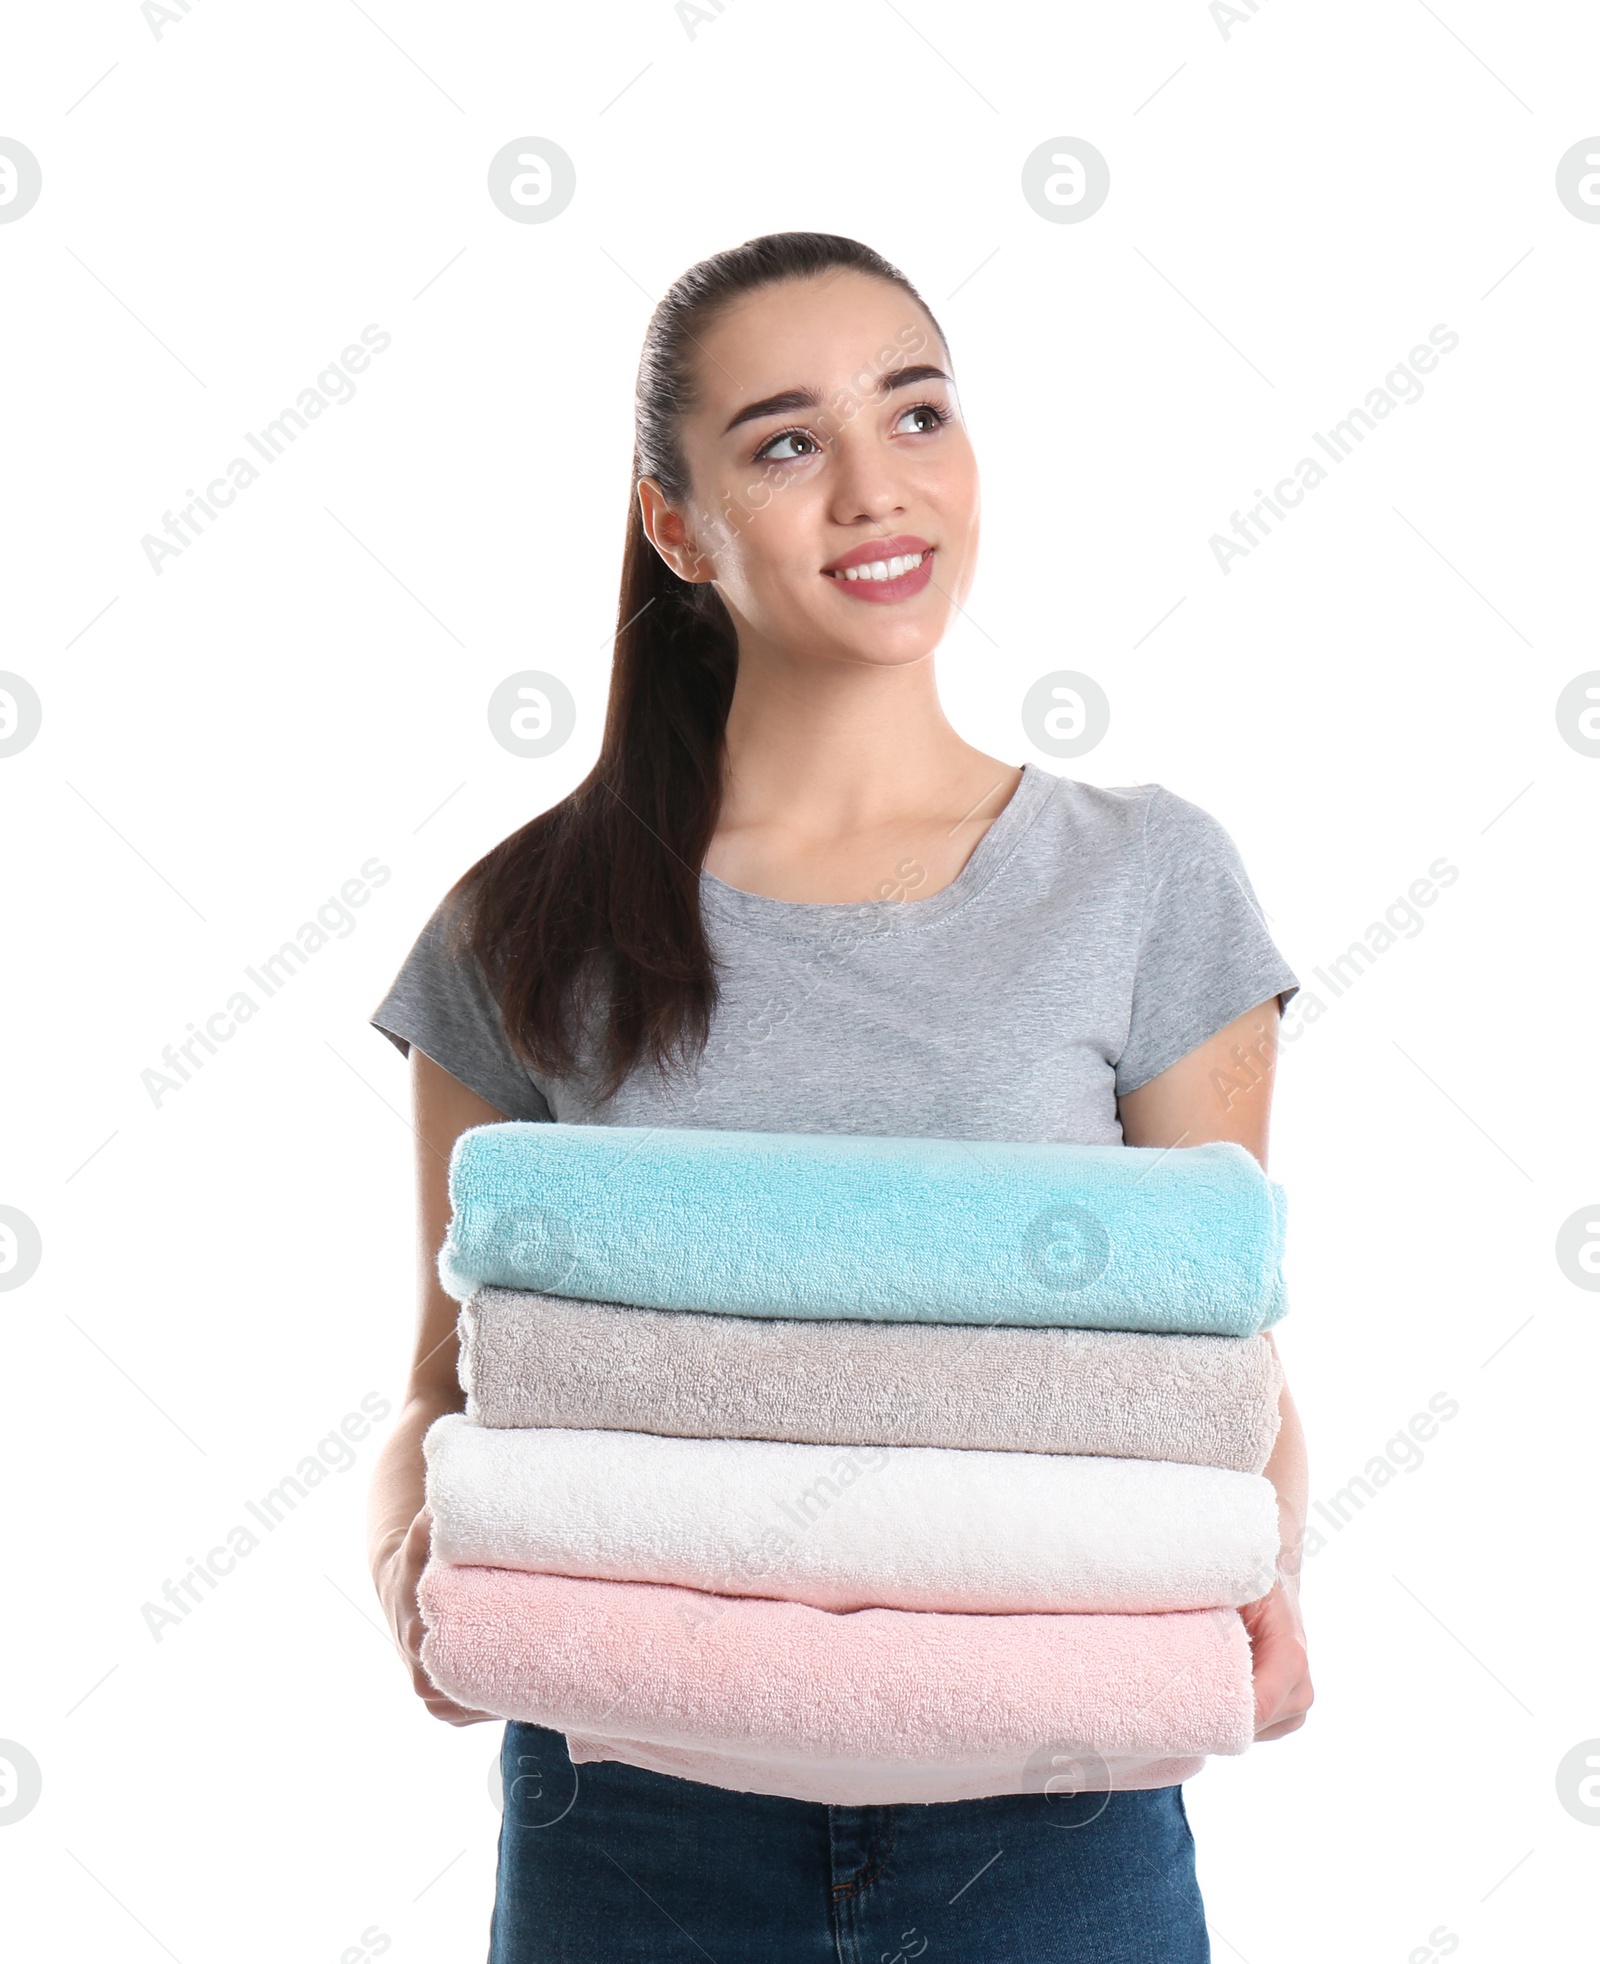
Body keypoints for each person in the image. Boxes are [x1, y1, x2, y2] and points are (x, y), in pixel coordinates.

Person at [366, 230, 1314, 1962]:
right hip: (634, 1819)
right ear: (679, 526)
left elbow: (1213, 1356)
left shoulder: (1149, 884)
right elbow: (448, 1384)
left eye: (920, 414)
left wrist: (1263, 1574)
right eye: (788, 442)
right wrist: (415, 1573)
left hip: (1055, 1807)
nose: (879, 492)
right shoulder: (523, 924)